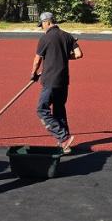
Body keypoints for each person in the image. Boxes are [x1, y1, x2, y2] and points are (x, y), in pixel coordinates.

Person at [31, 12, 82, 155]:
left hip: (50, 80)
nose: (42, 28)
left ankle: (64, 138)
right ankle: (65, 144)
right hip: (63, 81)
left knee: (42, 110)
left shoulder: (45, 38)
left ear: (47, 22)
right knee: (59, 109)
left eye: (42, 25)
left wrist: (33, 74)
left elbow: (37, 60)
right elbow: (79, 54)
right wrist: (65, 55)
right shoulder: (67, 36)